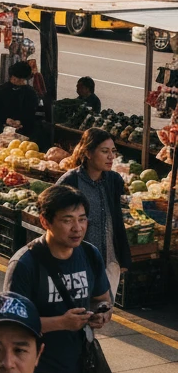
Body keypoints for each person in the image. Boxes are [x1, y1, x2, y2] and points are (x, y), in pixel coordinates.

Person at [4, 184, 112, 373]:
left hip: (77, 367)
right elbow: (11, 326)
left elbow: (103, 298)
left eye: (82, 219)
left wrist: (102, 314)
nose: (77, 228)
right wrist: (62, 323)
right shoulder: (25, 264)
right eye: (67, 220)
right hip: (35, 371)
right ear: (45, 221)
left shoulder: (90, 254)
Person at [56, 127, 131, 297]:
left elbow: (117, 219)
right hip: (77, 262)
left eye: (113, 151)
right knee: (80, 315)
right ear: (88, 153)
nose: (111, 156)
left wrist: (123, 257)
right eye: (105, 151)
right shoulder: (70, 180)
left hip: (109, 260)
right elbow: (54, 219)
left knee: (102, 315)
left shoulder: (114, 180)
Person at [0, 59, 40, 138]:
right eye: (15, 79)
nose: (17, 81)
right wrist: (6, 120)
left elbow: (31, 113)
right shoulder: (1, 90)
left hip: (24, 130)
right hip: (1, 129)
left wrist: (20, 122)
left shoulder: (30, 93)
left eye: (21, 80)